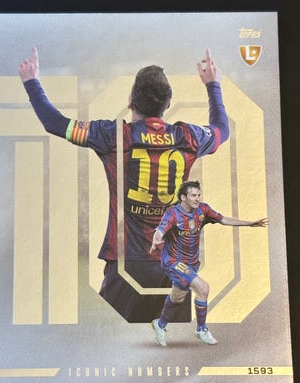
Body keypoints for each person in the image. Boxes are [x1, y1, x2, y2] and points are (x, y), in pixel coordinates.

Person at [18, 47, 229, 323]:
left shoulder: (113, 136)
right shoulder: (189, 137)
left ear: (130, 101)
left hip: (128, 266)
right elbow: (221, 129)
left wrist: (31, 82)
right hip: (176, 268)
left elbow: (55, 123)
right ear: (168, 104)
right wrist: (213, 85)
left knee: (112, 344)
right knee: (172, 347)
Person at [149, 180, 268, 346]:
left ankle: (160, 324)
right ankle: (201, 330)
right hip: (173, 261)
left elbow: (224, 219)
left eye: (199, 195)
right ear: (183, 197)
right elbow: (160, 230)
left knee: (177, 297)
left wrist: (250, 223)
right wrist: (156, 240)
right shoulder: (173, 214)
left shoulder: (203, 210)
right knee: (203, 289)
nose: (197, 198)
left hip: (191, 263)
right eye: (193, 195)